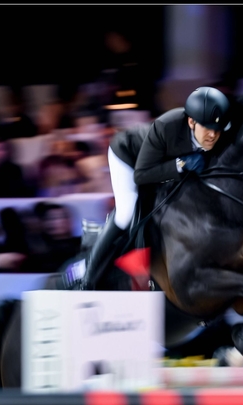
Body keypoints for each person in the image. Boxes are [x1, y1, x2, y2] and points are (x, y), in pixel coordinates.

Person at [65, 85, 232, 290]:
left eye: (217, 130)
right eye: (208, 128)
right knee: (127, 213)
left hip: (160, 166)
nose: (213, 135)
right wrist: (181, 164)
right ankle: (88, 277)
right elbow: (142, 175)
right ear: (191, 122)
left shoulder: (213, 134)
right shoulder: (167, 127)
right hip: (128, 158)